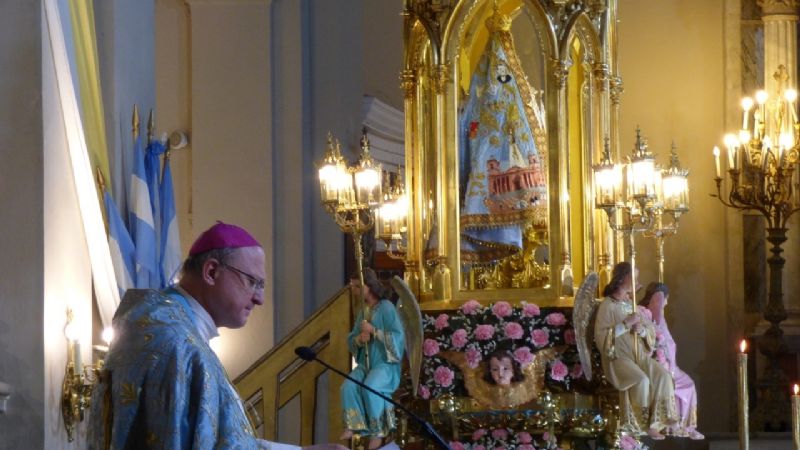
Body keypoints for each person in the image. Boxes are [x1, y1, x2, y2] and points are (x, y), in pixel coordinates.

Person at [88, 222, 347, 450]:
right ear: (211, 272)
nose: (260, 299)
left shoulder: (164, 325)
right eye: (252, 282)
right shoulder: (179, 344)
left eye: (262, 285)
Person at [593, 262, 678, 440]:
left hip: (638, 355)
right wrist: (625, 325)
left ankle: (661, 419)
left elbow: (650, 331)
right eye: (634, 277)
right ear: (622, 278)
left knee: (662, 375)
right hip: (618, 358)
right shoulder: (608, 306)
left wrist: (642, 331)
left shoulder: (630, 304)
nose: (637, 281)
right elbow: (601, 338)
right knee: (641, 380)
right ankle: (642, 424)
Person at [340, 268, 405, 450]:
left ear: (369, 286)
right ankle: (354, 424)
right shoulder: (363, 312)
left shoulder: (386, 308)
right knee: (349, 386)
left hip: (385, 364)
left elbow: (398, 338)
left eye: (357, 286)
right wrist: (359, 339)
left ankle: (377, 429)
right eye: (353, 286)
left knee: (370, 388)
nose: (354, 290)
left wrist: (374, 332)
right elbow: (351, 339)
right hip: (366, 363)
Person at [640, 282, 704, 440]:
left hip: (669, 363)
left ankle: (686, 426)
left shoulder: (659, 315)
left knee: (688, 384)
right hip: (655, 362)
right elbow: (650, 339)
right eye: (665, 298)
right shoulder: (644, 313)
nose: (666, 302)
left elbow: (666, 339)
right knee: (682, 384)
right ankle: (672, 425)